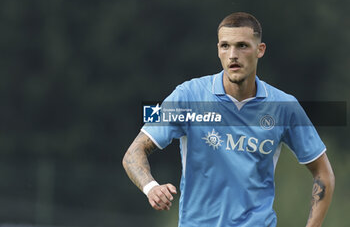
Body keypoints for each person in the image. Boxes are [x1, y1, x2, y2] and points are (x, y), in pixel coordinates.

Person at [122, 12, 335, 227]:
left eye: (242, 45)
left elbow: (323, 173)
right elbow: (133, 152)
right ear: (218, 50)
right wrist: (151, 188)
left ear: (260, 50)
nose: (233, 54)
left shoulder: (284, 107)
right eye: (225, 46)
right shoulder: (187, 96)